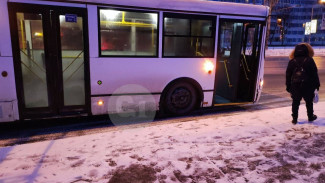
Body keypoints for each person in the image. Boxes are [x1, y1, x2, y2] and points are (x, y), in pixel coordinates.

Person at [286, 43, 320, 124]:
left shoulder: (292, 61)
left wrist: (288, 86)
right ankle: (310, 117)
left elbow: (288, 75)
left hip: (295, 84)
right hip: (308, 85)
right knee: (309, 102)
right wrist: (317, 85)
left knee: (295, 102)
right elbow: (314, 74)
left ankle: (294, 119)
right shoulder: (310, 60)